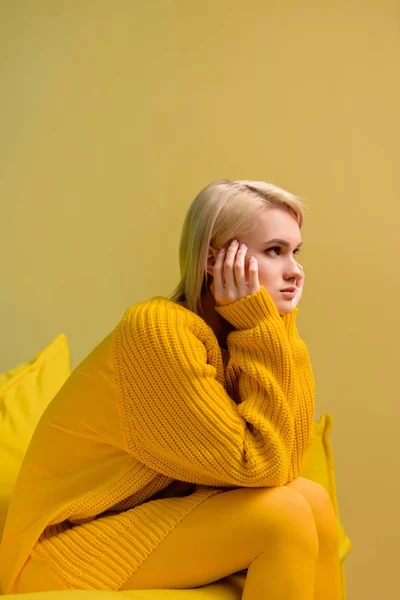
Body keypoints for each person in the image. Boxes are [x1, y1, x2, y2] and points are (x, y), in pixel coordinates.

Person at [0, 179, 342, 599]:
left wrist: (276, 330)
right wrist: (262, 326)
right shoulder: (159, 331)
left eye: (295, 252)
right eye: (274, 250)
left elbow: (288, 462)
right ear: (215, 260)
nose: (295, 270)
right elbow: (261, 465)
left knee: (312, 499)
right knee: (285, 515)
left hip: (138, 521)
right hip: (60, 552)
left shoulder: (248, 336)